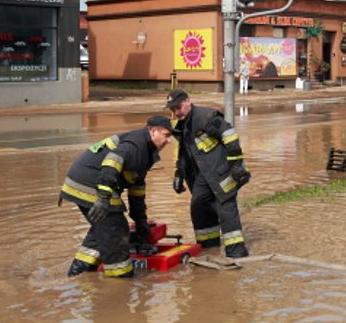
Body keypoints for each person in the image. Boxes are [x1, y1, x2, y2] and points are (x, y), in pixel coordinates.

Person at [58, 116, 176, 278]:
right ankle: (119, 281)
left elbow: (137, 189)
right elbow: (112, 161)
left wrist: (140, 221)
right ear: (153, 131)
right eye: (166, 135)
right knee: (117, 231)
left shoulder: (145, 150)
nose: (169, 141)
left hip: (84, 182)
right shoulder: (136, 145)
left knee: (103, 229)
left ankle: (79, 275)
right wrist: (104, 198)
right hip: (91, 184)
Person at [167, 89, 251, 258]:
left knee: (225, 208)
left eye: (179, 107)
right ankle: (208, 248)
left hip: (224, 171)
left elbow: (229, 134)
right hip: (204, 176)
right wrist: (179, 175)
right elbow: (184, 153)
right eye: (173, 110)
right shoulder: (182, 126)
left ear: (188, 101)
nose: (177, 112)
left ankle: (236, 253)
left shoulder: (206, 117)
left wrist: (235, 165)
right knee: (198, 205)